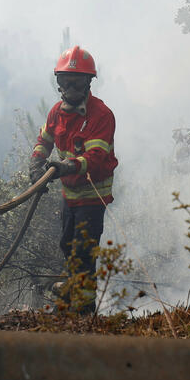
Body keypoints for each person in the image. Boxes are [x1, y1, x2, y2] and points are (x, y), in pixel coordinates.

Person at [29, 46, 117, 313]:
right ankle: (74, 290)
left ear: (88, 83)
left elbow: (96, 156)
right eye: (66, 82)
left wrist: (66, 167)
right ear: (59, 83)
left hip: (92, 196)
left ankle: (82, 307)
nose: (71, 88)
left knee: (84, 252)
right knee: (67, 244)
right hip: (70, 195)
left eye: (77, 82)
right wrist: (36, 164)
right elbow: (44, 140)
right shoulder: (56, 112)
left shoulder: (101, 115)